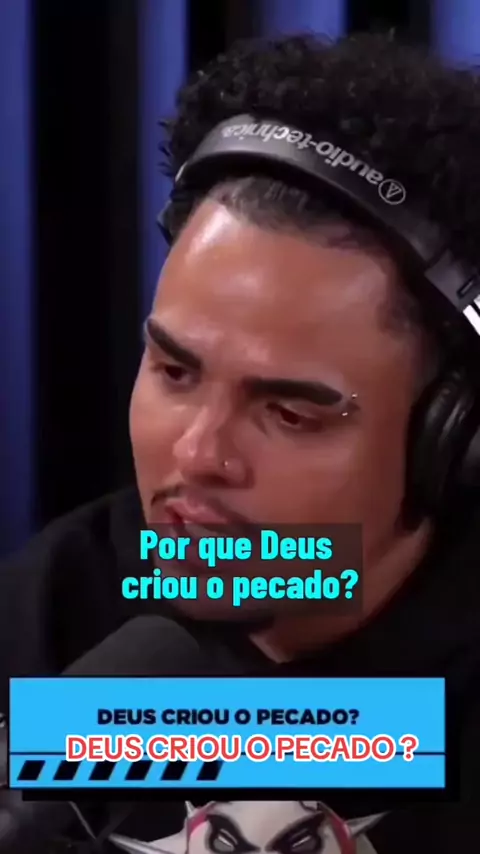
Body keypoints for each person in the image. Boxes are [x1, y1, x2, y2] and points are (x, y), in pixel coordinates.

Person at [1, 30, 480, 853]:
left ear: (450, 440)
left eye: (289, 413)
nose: (197, 456)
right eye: (174, 371)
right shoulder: (56, 609)